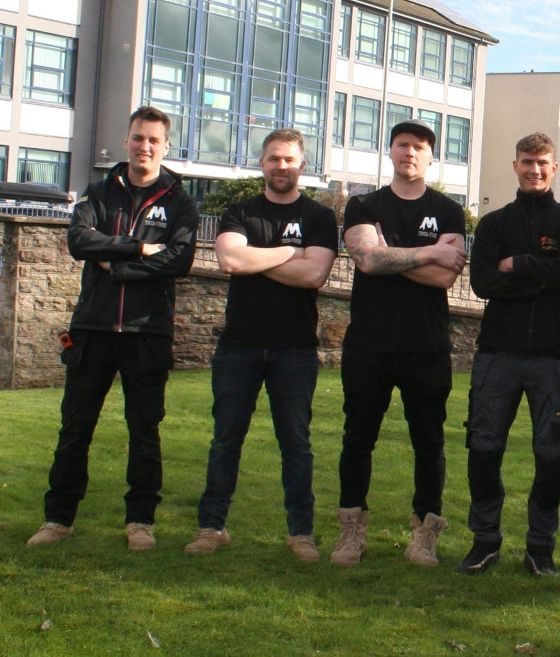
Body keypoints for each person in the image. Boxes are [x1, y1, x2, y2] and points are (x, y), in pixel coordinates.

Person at [27, 106, 198, 551]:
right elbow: (79, 240)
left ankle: (140, 521)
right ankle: (57, 519)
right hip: (93, 329)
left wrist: (115, 266)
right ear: (126, 141)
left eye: (154, 140)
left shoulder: (179, 201)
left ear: (165, 146)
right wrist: (137, 248)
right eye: (138, 137)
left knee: (144, 432)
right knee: (75, 429)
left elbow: (178, 260)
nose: (145, 147)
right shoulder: (99, 192)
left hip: (147, 332)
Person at [182, 129, 337, 562]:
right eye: (273, 158)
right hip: (239, 346)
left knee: (296, 444)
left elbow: (315, 275)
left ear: (302, 165)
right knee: (225, 440)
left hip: (295, 348)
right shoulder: (241, 210)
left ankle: (301, 534)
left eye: (289, 159)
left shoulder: (319, 216)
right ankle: (211, 528)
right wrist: (290, 253)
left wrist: (256, 258)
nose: (281, 166)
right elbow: (230, 259)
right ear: (262, 163)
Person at [331, 119, 467, 567]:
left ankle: (425, 532)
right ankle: (352, 529)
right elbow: (368, 261)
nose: (410, 152)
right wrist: (428, 252)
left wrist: (391, 254)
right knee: (358, 438)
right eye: (403, 144)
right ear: (390, 150)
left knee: (429, 442)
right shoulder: (363, 204)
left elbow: (445, 277)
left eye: (420, 147)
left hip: (426, 346)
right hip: (369, 344)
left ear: (431, 156)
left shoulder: (448, 210)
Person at [459, 132, 560, 576]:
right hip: (499, 353)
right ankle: (485, 541)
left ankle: (540, 547)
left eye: (542, 163)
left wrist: (517, 264)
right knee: (483, 448)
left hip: (556, 357)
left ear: (554, 168)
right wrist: (542, 278)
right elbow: (483, 283)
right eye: (527, 162)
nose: (535, 170)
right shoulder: (494, 224)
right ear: (515, 165)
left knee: (551, 455)